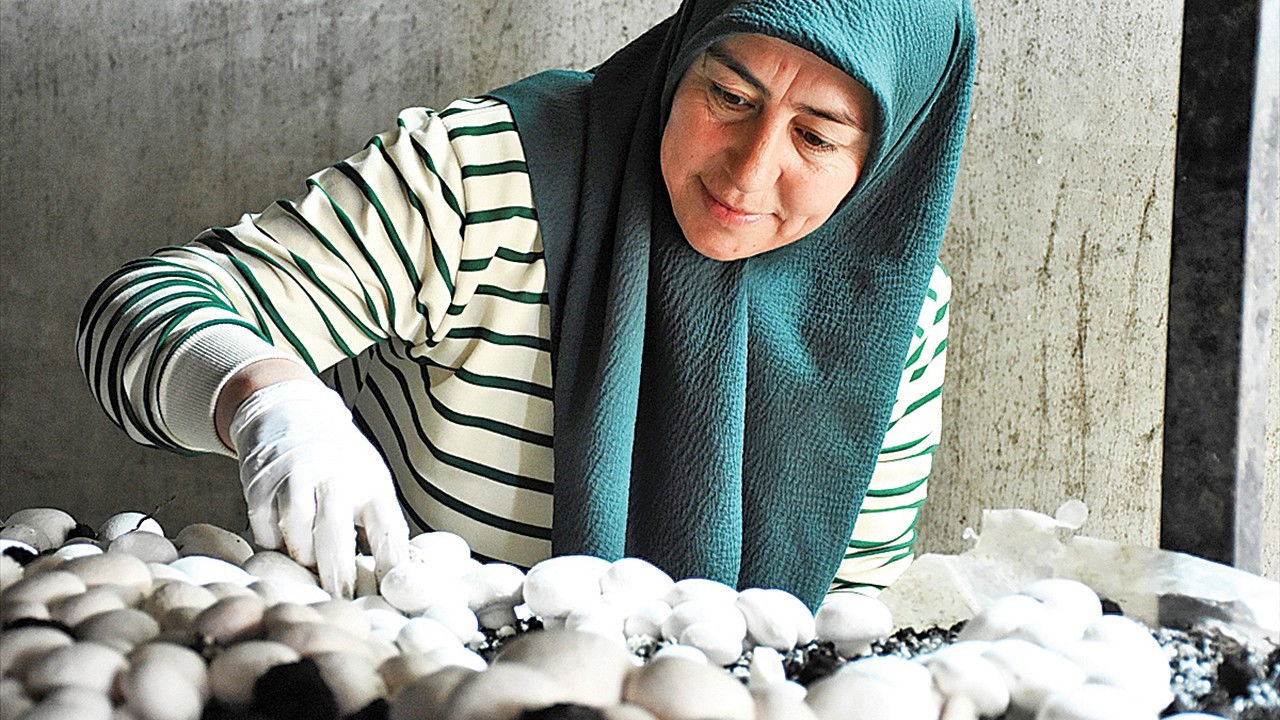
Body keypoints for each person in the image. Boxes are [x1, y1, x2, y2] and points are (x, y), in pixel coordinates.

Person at [77, 0, 975, 608]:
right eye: (729, 95)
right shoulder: (484, 181)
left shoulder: (893, 317)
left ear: (892, 154)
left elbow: (839, 617)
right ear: (683, 58)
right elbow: (138, 305)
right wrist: (267, 401)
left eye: (816, 136)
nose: (748, 170)